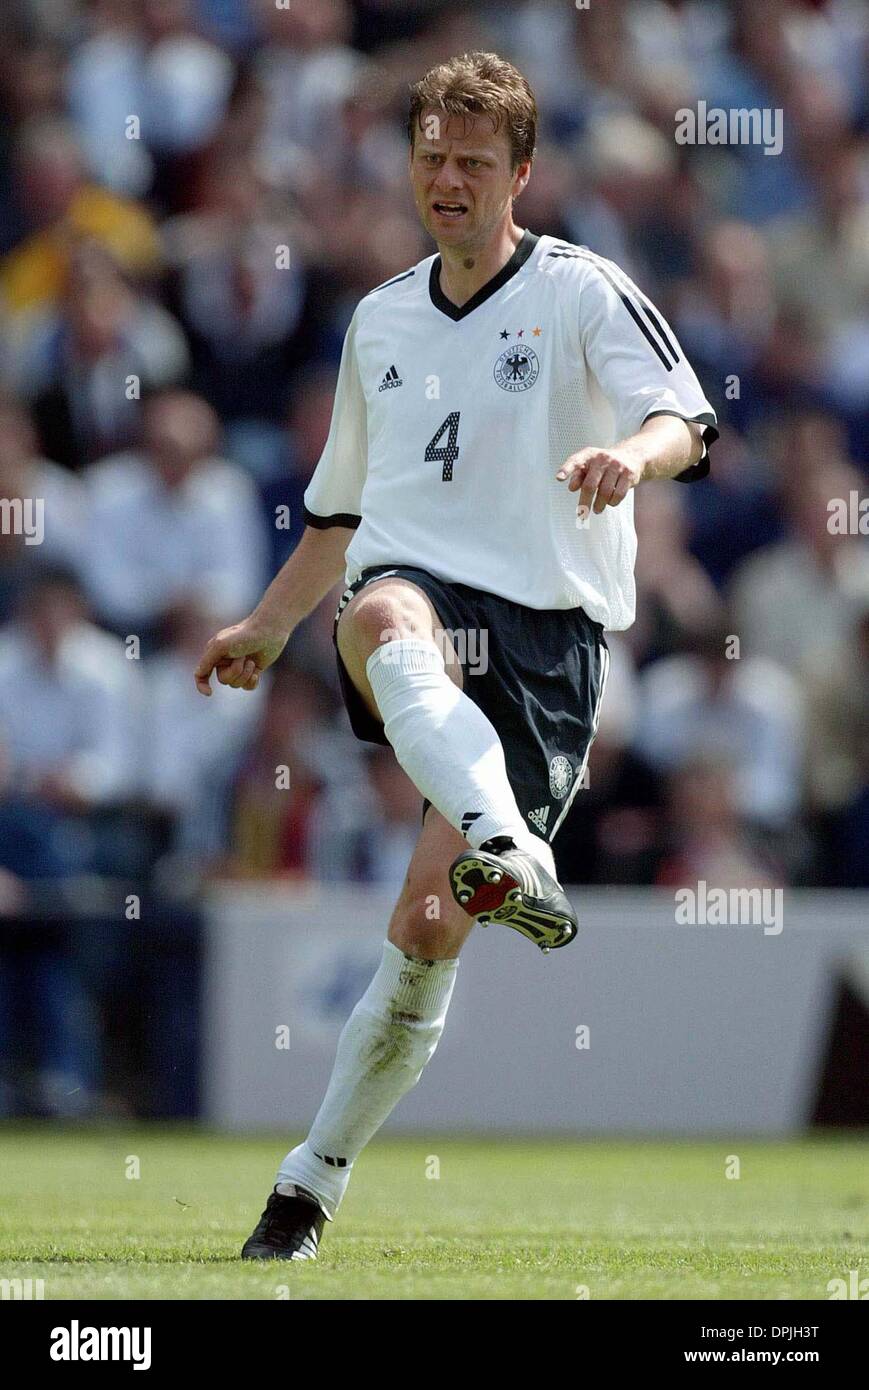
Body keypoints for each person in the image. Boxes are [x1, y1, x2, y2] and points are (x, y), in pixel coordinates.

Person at [194, 51, 717, 1261]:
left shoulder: (582, 290)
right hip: (415, 601)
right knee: (380, 616)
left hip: (548, 640)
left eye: (472, 162)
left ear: (519, 174)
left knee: (426, 927)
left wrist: (626, 462)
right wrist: (269, 624)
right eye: (430, 156)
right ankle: (514, 848)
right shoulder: (377, 316)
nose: (446, 178)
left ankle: (306, 1182)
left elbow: (686, 417)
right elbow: (338, 512)